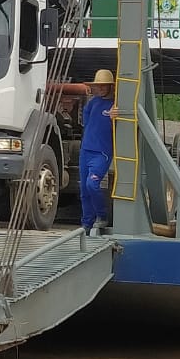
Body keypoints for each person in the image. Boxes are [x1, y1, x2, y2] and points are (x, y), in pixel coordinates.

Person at [79, 68, 116, 236]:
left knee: (91, 184)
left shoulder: (115, 106)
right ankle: (86, 224)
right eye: (98, 86)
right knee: (84, 191)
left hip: (102, 153)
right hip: (86, 150)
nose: (100, 89)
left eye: (103, 86)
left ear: (110, 86)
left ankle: (102, 215)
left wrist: (116, 118)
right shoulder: (93, 103)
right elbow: (87, 123)